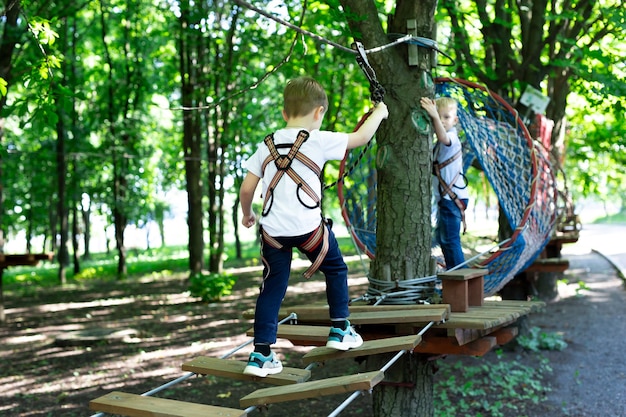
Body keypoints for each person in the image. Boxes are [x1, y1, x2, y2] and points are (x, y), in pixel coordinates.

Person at [239, 76, 388, 377]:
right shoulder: (318, 139)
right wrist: (380, 112)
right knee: (335, 270)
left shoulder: (265, 145)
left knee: (271, 288)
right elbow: (360, 138)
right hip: (310, 230)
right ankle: (340, 329)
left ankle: (260, 355)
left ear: (284, 113)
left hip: (273, 233)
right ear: (319, 112)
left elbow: (246, 189)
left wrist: (248, 213)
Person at [420, 96, 469, 269]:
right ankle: (456, 275)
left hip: (452, 200)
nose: (442, 120)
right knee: (444, 239)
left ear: (455, 120)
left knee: (450, 240)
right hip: (447, 200)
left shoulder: (452, 139)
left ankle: (460, 279)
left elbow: (443, 137)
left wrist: (433, 115)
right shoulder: (438, 145)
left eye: (446, 117)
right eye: (439, 116)